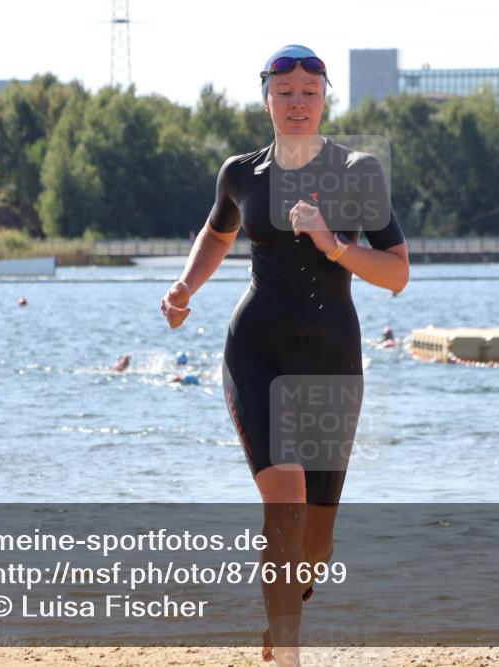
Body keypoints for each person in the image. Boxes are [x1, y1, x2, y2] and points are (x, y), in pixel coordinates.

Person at [161, 44, 409, 667]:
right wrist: (187, 286)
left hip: (332, 359)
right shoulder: (241, 172)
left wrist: (333, 244)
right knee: (286, 502)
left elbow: (398, 274)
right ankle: (292, 654)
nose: (297, 103)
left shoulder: (359, 171)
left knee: (316, 546)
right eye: (284, 92)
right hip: (258, 349)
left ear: (325, 97)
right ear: (266, 97)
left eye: (309, 92)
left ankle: (281, 622)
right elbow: (217, 232)